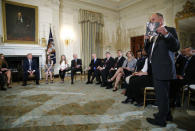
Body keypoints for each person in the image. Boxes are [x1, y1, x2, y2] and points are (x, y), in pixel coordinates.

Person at [144, 13, 180, 127]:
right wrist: (146, 41)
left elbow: (176, 47)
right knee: (163, 95)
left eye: (153, 19)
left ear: (160, 20)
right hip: (156, 69)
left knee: (162, 96)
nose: (151, 22)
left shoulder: (170, 30)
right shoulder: (154, 36)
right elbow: (149, 52)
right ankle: (167, 114)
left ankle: (161, 120)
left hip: (164, 69)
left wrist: (166, 34)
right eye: (150, 20)